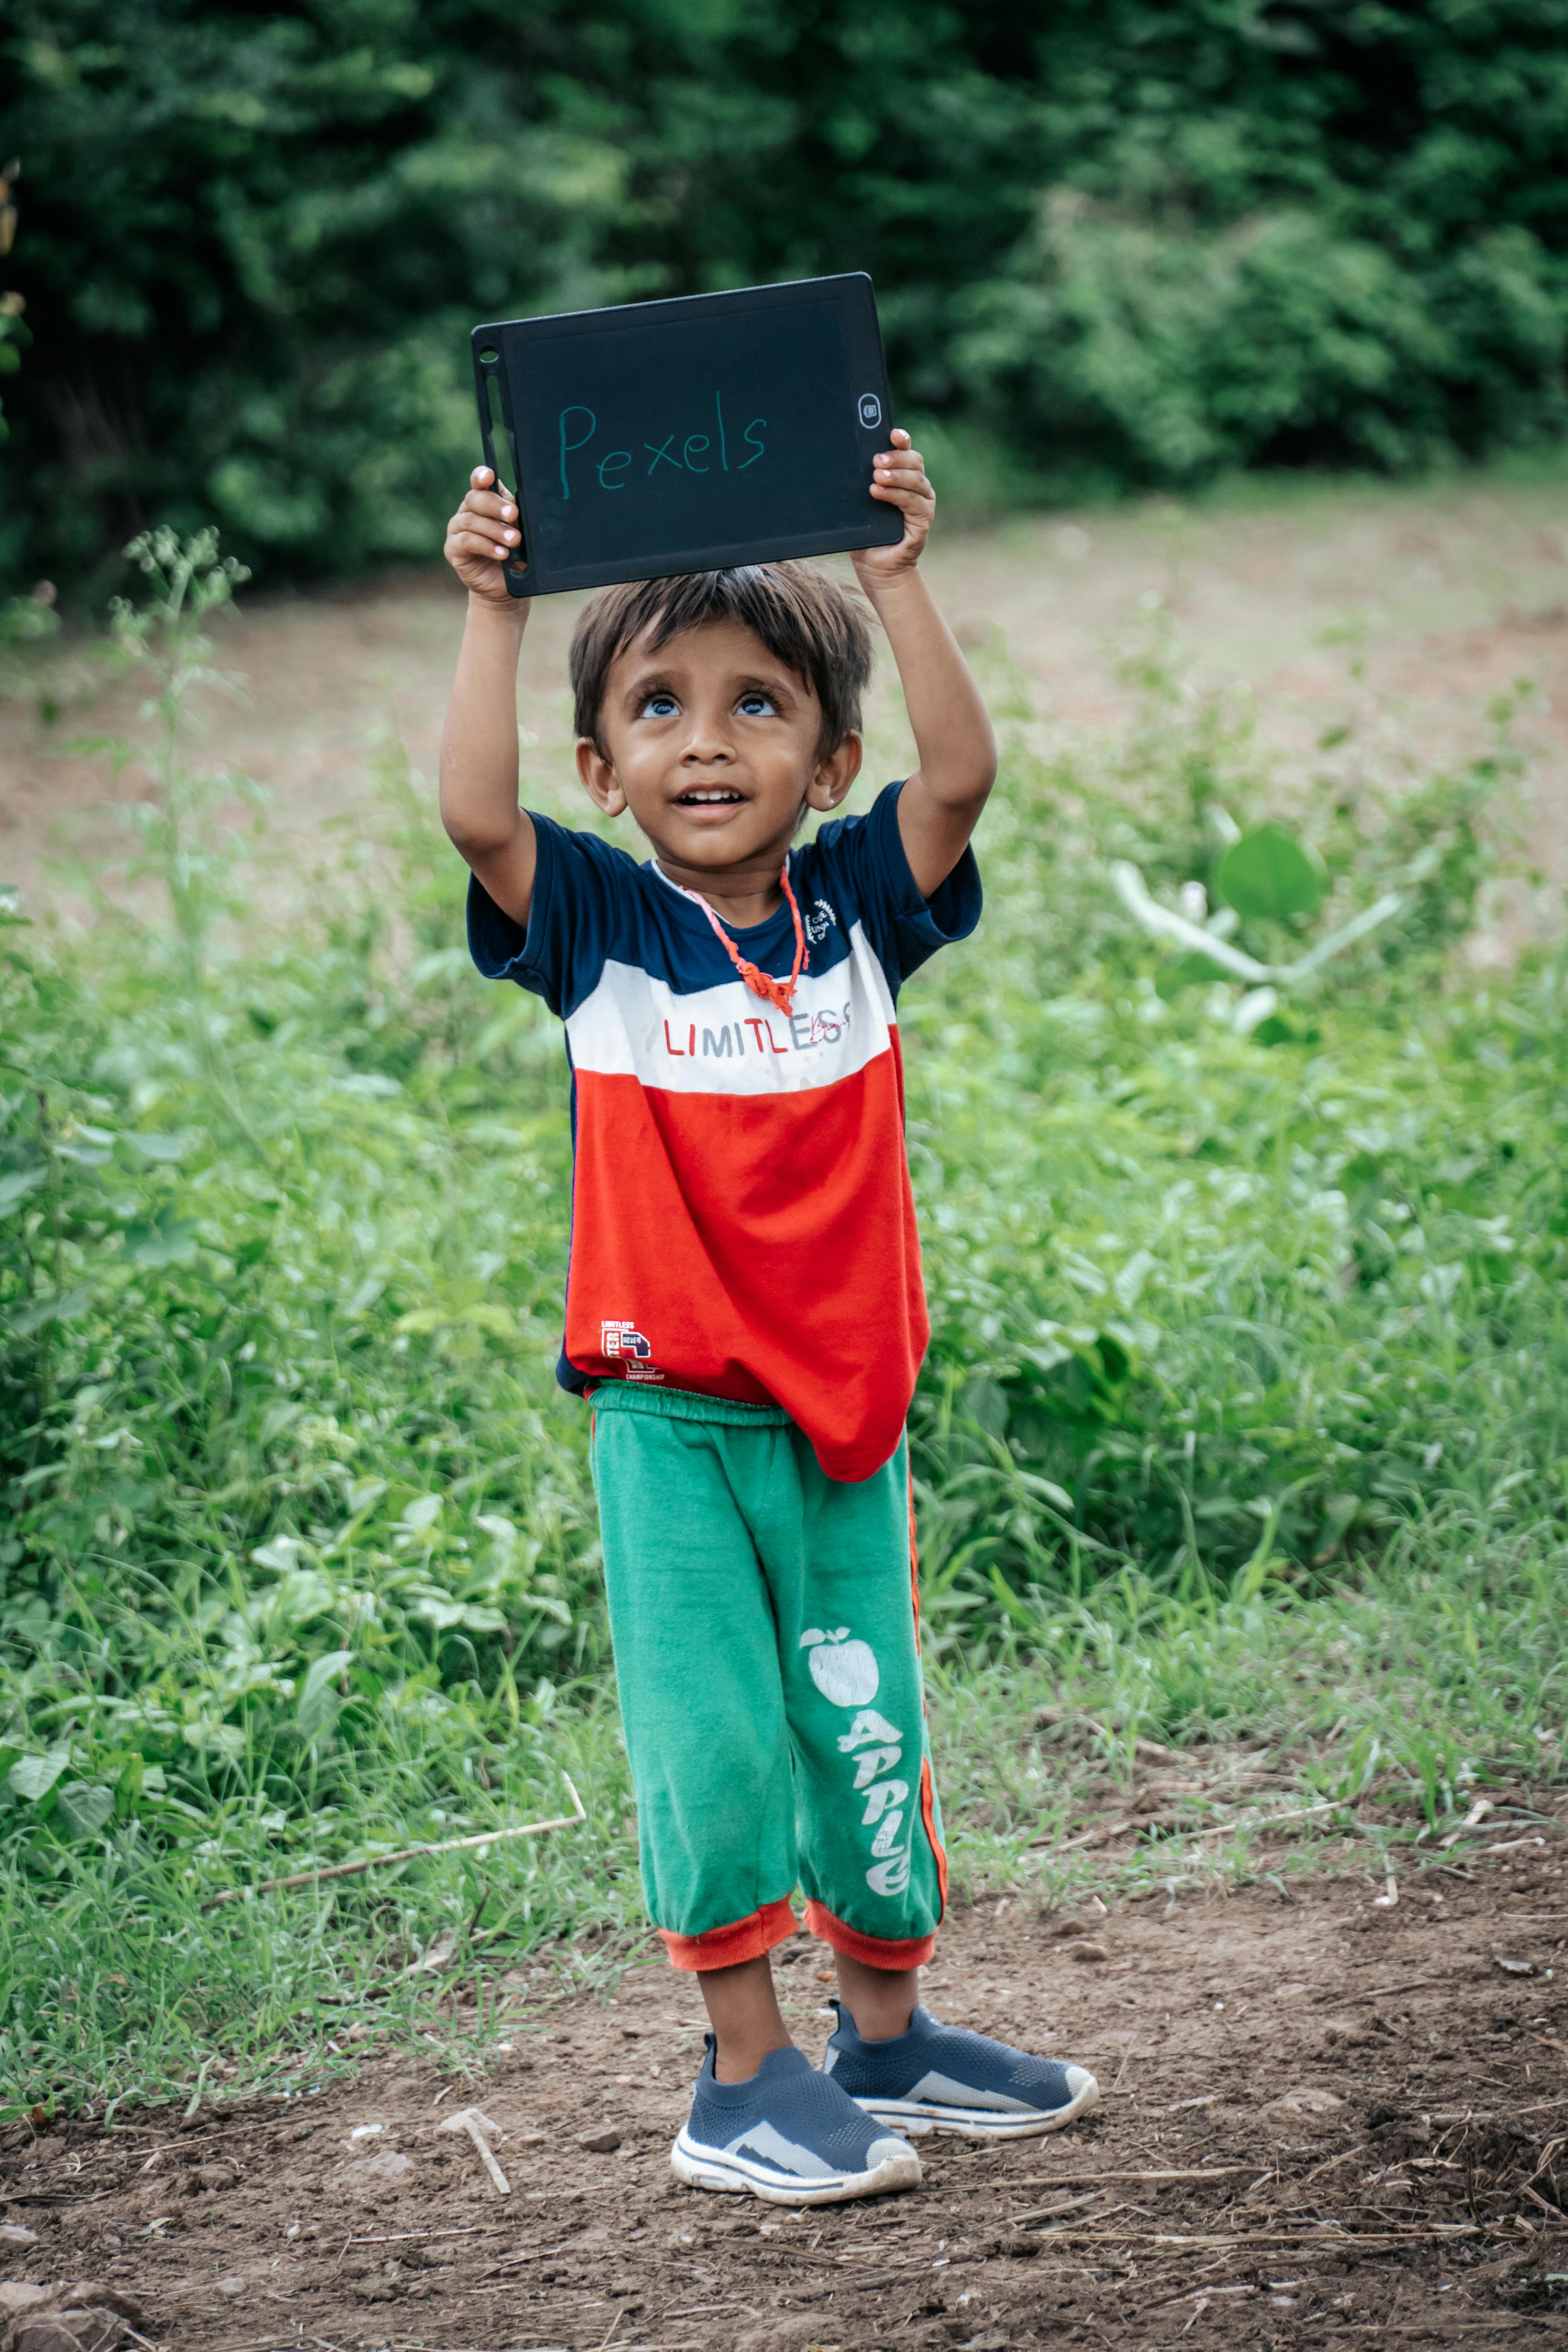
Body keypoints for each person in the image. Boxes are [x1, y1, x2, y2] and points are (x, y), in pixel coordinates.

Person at [439, 432, 1098, 2206]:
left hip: (846, 1410)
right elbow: (473, 818)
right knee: (719, 1749)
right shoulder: (591, 918)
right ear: (605, 764)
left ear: (828, 756)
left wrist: (891, 573)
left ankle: (890, 2037)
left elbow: (965, 777)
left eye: (755, 707)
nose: (708, 739)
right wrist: (492, 606)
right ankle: (742, 2079)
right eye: (659, 708)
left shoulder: (857, 908)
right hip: (672, 1421)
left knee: (863, 1724)